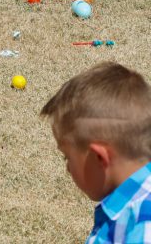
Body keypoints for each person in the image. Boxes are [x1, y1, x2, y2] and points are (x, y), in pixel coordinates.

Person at [41, 62, 151, 242]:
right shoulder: (129, 205)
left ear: (99, 157)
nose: (68, 169)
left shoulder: (143, 225)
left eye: (67, 157)